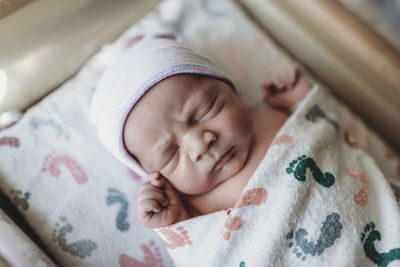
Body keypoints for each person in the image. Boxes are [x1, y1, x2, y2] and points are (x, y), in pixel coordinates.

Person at [89, 36, 311, 228]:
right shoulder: (191, 208)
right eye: (171, 154)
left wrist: (295, 100)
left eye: (204, 112)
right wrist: (175, 221)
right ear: (156, 176)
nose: (200, 145)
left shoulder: (268, 115)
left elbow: (317, 127)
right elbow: (201, 248)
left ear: (231, 90)